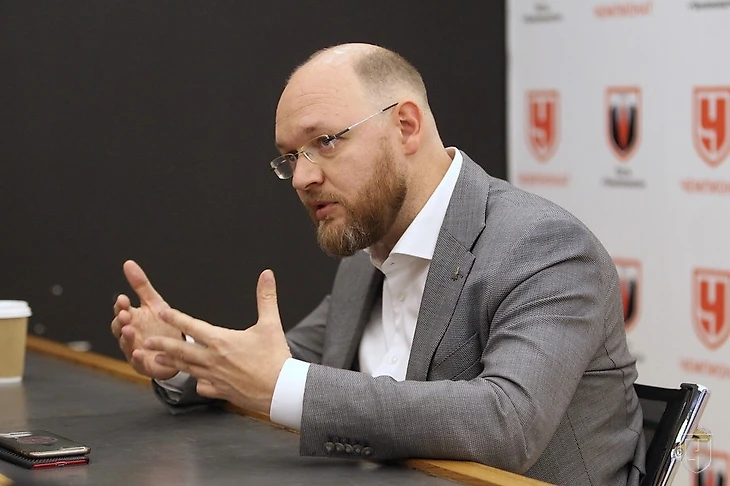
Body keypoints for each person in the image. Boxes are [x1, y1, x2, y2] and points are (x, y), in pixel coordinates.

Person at [110, 43, 645, 485]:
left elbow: (507, 424)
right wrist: (181, 357)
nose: (302, 178)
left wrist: (282, 385)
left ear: (406, 126)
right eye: (291, 157)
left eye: (324, 142)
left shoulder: (545, 247)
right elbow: (277, 365)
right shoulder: (368, 252)